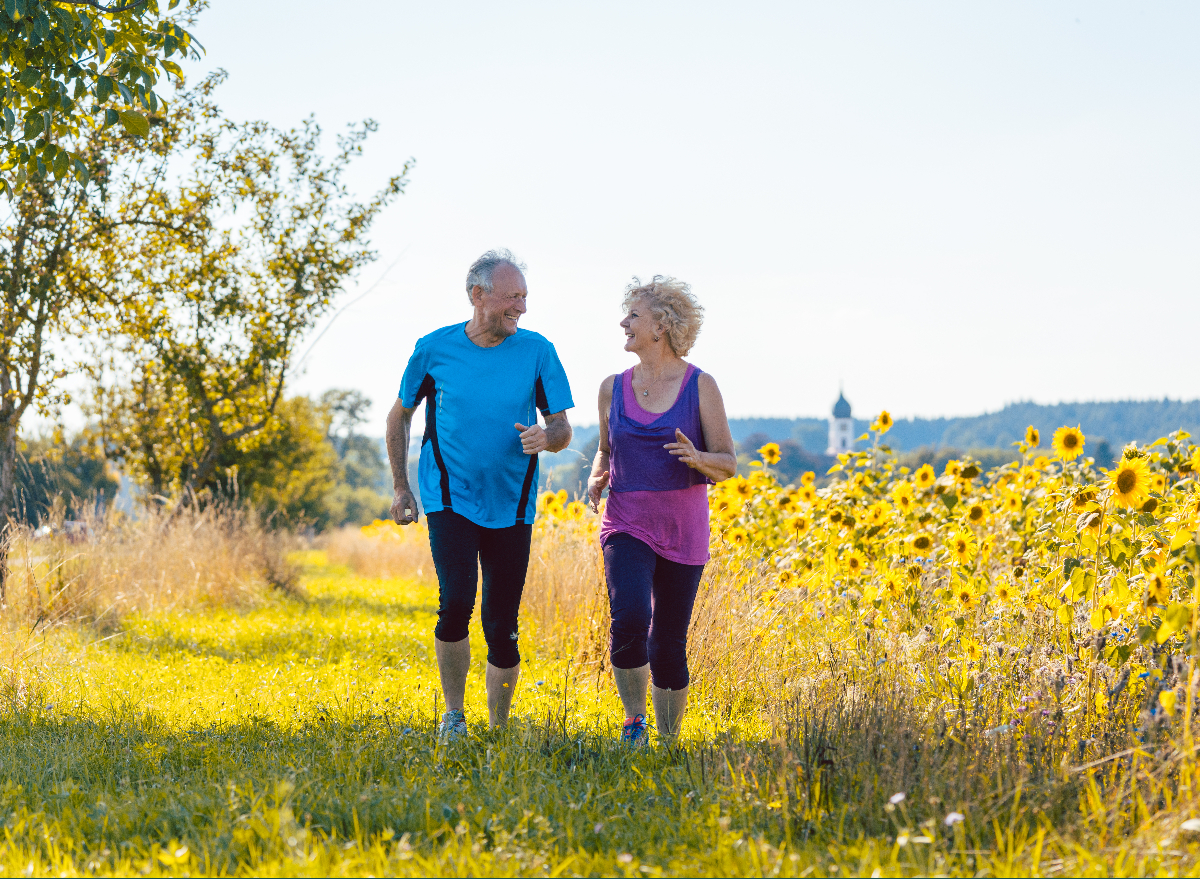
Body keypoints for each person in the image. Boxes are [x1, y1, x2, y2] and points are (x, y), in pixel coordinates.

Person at [387, 249, 574, 742]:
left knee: (502, 617)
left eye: (525, 298)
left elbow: (561, 429)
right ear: (478, 296)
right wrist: (402, 487)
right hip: (449, 495)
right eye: (513, 298)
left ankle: (497, 726)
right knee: (456, 602)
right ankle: (453, 716)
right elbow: (399, 415)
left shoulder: (538, 351)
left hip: (512, 501)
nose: (523, 309)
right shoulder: (434, 349)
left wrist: (545, 438)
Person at [587, 276, 736, 746]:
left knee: (668, 639)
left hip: (683, 529)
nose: (622, 322)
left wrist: (699, 460)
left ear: (662, 326)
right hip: (626, 521)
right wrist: (598, 474)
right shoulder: (612, 388)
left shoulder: (701, 386)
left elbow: (727, 462)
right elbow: (605, 450)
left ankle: (669, 741)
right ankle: (634, 723)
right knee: (629, 616)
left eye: (633, 314)